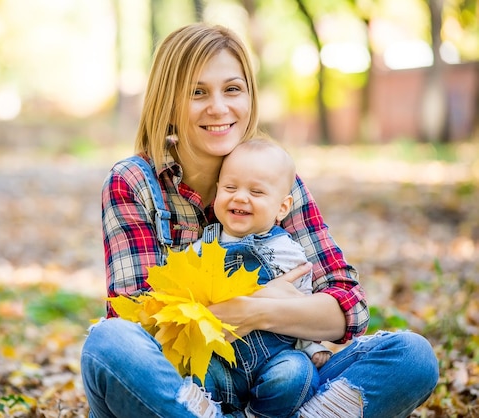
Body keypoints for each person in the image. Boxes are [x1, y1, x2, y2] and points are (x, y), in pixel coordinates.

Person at [80, 22, 438, 418]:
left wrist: (257, 312)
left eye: (232, 89)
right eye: (197, 92)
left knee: (411, 357)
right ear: (169, 102)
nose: (219, 107)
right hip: (182, 391)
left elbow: (348, 308)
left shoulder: (276, 179)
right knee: (110, 343)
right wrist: (269, 298)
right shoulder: (133, 182)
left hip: (280, 382)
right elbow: (140, 321)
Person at [190, 137, 332, 417]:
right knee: (189, 373)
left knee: (298, 374)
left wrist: (310, 346)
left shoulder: (289, 252)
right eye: (230, 188)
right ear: (218, 192)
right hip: (219, 362)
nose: (240, 197)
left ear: (282, 207)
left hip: (275, 360)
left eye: (256, 192)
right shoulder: (201, 248)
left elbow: (302, 301)